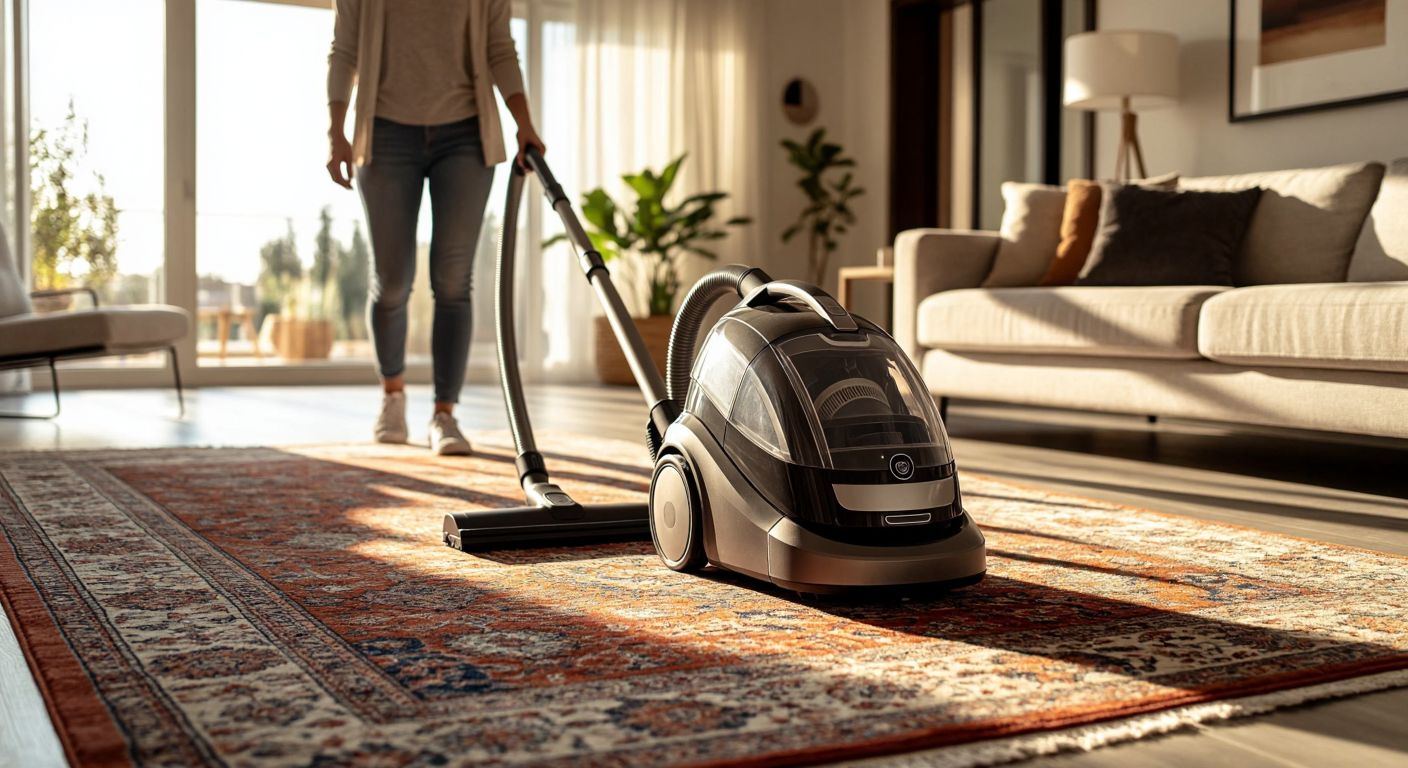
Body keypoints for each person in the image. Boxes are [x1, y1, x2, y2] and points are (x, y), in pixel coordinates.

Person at [325, 0, 544, 455]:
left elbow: (500, 49)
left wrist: (524, 124)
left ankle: (445, 414)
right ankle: (393, 397)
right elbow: (344, 51)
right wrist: (336, 131)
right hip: (384, 132)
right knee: (391, 282)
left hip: (465, 134)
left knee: (452, 279)